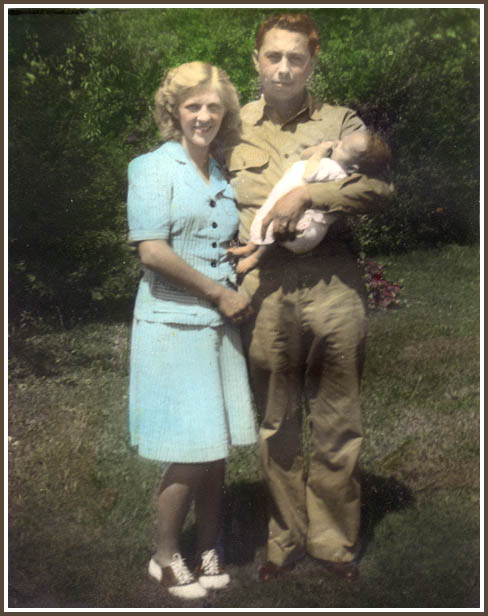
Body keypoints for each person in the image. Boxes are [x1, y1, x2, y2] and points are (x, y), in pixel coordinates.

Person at [225, 14, 394, 582]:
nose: (284, 67)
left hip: (333, 286)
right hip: (264, 290)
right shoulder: (233, 124)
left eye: (296, 58)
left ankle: (332, 544)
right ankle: (284, 540)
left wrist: (308, 192)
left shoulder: (340, 121)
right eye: (274, 56)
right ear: (256, 61)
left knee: (337, 417)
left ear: (311, 64)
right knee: (275, 422)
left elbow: (378, 187)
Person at [126, 61, 257, 600]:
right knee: (189, 446)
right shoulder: (152, 168)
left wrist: (245, 264)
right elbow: (152, 250)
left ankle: (207, 548)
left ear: (224, 114)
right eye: (192, 106)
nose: (204, 116)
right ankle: (163, 556)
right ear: (174, 112)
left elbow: (219, 246)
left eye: (213, 107)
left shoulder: (221, 175)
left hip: (218, 325)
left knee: (218, 444)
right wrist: (218, 292)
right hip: (172, 323)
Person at [228, 131, 392, 274]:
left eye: (342, 146)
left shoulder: (334, 169)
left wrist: (320, 152)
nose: (337, 144)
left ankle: (256, 257)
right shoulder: (332, 163)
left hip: (304, 229)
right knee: (265, 215)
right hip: (293, 210)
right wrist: (322, 148)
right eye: (341, 140)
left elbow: (309, 172)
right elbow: (305, 156)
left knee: (274, 224)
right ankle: (251, 245)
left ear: (354, 166)